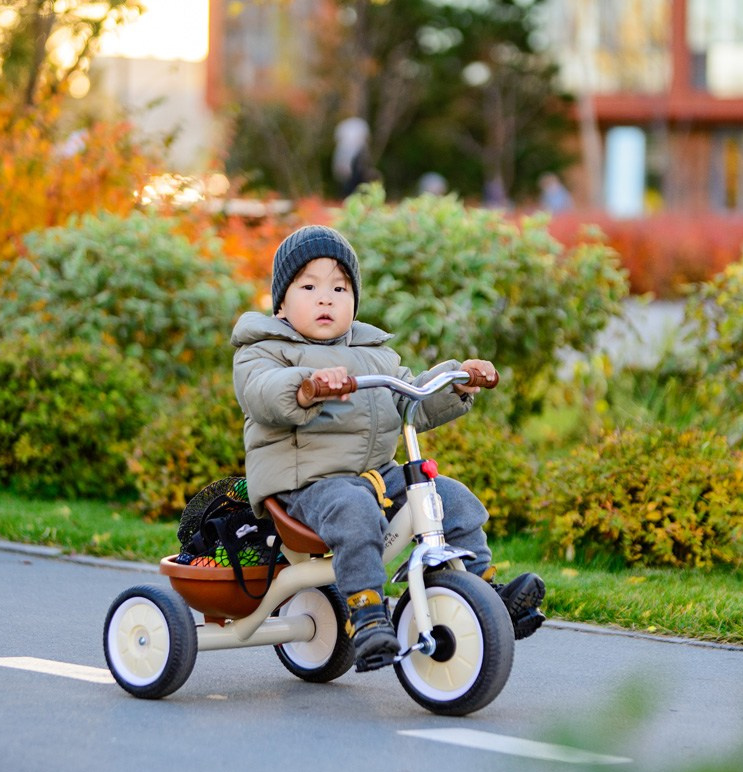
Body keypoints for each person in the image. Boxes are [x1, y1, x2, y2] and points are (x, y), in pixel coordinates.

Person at [231, 225, 546, 673]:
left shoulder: (374, 353)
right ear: (280, 304)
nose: (326, 298)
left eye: (339, 287)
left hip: (372, 478)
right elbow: (261, 392)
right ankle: (366, 614)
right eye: (309, 286)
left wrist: (458, 379)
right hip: (304, 490)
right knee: (352, 507)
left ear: (354, 300)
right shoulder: (264, 350)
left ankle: (485, 595)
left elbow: (410, 397)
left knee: (449, 497)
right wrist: (305, 390)